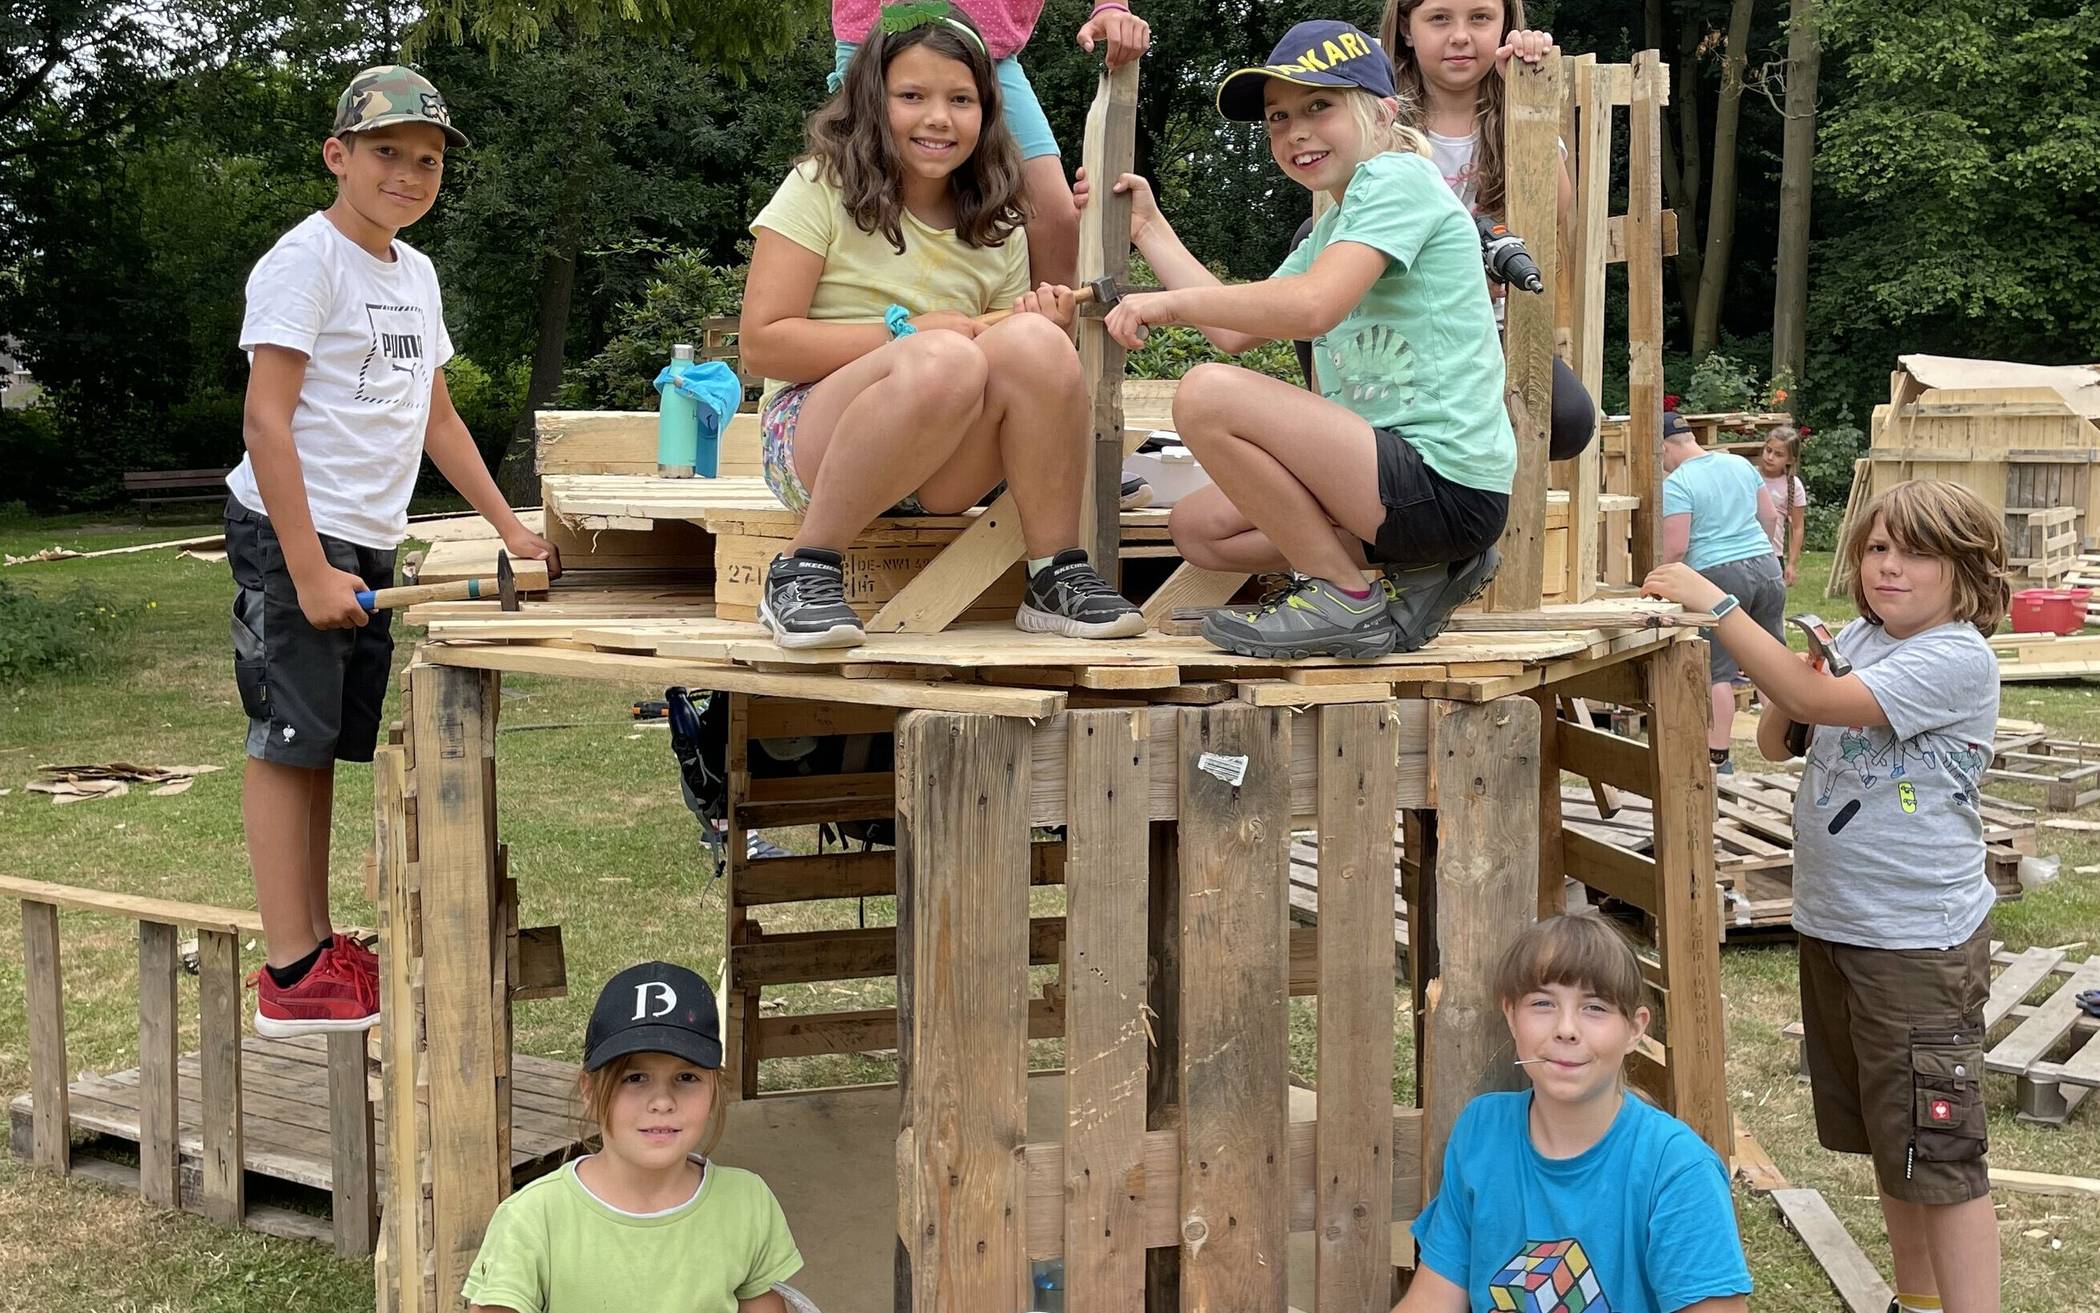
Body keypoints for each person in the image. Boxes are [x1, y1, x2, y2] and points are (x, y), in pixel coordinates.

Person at [230, 66, 557, 1038]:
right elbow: (264, 423)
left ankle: (319, 941)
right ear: (339, 155)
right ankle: (291, 969)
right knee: (287, 743)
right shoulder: (307, 261)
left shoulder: (414, 274)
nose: (409, 174)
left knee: (323, 742)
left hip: (365, 537)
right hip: (298, 532)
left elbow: (438, 419)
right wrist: (305, 567)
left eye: (427, 161)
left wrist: (510, 525)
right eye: (387, 153)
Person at [1641, 479, 2009, 1313]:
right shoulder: (1860, 637)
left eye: (1915, 552)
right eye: (1877, 548)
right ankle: (1914, 1300)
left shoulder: (1957, 656)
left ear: (1967, 569)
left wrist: (1721, 605)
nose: (1888, 566)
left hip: (1917, 944)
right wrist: (1797, 675)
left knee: (1942, 1152)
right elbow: (1780, 737)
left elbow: (1810, 700)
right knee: (1897, 1142)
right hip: (1840, 927)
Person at [1088, 19, 1513, 658]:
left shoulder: (1398, 178)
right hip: (1398, 490)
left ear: (1383, 112)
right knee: (1200, 530)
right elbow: (1231, 329)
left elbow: (1314, 308)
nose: (1297, 130)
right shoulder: (1336, 224)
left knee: (1205, 394)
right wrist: (1149, 230)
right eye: (1278, 117)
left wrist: (1166, 304)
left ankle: (1343, 596)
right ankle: (1428, 567)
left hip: (1441, 479)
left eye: (1320, 105)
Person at [741, 6, 1145, 650]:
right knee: (942, 360)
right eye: (912, 96)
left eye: (961, 99)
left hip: (940, 465)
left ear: (988, 113)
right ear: (874, 101)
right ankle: (804, 570)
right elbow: (762, 345)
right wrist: (910, 335)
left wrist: (1036, 327)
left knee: (1038, 343)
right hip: (816, 437)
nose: (938, 118)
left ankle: (1054, 573)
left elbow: (1006, 354)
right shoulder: (820, 185)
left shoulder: (999, 215)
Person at [1396, 914, 1752, 1313]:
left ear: (1635, 1029)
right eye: (1543, 1003)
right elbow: (1432, 1299)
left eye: (1595, 1007)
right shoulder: (1482, 1131)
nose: (1566, 1029)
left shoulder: (1676, 1170)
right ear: (1511, 1015)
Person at [1286, 0, 1592, 459]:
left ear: (1507, 26)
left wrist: (1525, 99)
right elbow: (1354, 221)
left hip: (1486, 319)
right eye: (1439, 18)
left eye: (1481, 18)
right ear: (1407, 29)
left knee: (1570, 421)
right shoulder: (1375, 114)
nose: (1460, 36)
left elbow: (1553, 212)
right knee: (1312, 235)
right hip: (1396, 311)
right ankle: (1341, 407)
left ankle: (1458, 459)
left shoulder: (1516, 110)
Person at [464, 962, 804, 1313]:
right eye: (635, 1078)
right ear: (589, 1091)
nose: (662, 1102)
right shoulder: (531, 1220)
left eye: (686, 1078)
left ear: (715, 1089)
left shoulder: (747, 1203)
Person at [830, 0, 1152, 287]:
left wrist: (1110, 5)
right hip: (880, 35)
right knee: (861, 197)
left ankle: (1049, 350)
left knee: (1055, 219)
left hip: (986, 49)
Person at [1659, 410, 1783, 772]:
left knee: (1718, 671)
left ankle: (1718, 758)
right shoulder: (1739, 465)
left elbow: (1677, 548)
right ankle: (1791, 738)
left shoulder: (1678, 483)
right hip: (1765, 565)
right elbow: (1771, 517)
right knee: (1772, 661)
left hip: (1717, 575)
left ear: (1665, 448)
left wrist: (1660, 580)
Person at [1757, 426, 1808, 586]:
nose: (1770, 457)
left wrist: (1792, 564)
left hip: (1773, 554)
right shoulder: (1749, 475)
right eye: (1768, 450)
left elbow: (1797, 527)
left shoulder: (1792, 485)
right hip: (1743, 551)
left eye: (1778, 454)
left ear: (1790, 460)